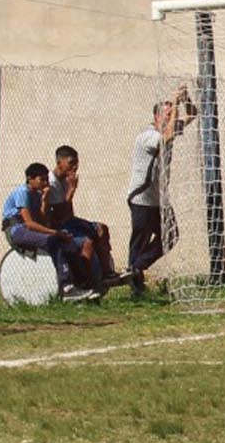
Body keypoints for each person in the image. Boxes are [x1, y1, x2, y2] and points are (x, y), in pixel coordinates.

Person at [126, 88, 195, 297]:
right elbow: (167, 136)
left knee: (171, 234)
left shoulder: (168, 129)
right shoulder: (148, 136)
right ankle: (135, 283)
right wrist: (173, 104)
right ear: (156, 117)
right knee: (140, 239)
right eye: (166, 114)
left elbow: (192, 115)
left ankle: (136, 268)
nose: (171, 116)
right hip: (142, 197)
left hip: (159, 198)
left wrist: (185, 100)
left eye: (171, 113)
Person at [1, 163, 97, 301]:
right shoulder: (23, 192)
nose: (45, 183)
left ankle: (81, 284)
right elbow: (29, 223)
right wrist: (54, 233)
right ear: (30, 178)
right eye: (42, 179)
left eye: (47, 179)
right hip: (18, 231)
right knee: (52, 241)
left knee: (69, 244)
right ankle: (66, 287)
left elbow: (42, 221)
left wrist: (44, 200)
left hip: (28, 229)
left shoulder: (36, 194)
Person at [48, 144, 121, 291]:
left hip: (68, 221)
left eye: (76, 163)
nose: (74, 167)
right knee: (86, 243)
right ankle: (87, 284)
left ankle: (107, 273)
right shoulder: (52, 183)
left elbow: (69, 213)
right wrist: (72, 189)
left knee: (101, 229)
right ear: (59, 162)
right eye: (71, 163)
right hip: (58, 225)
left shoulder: (65, 181)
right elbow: (60, 215)